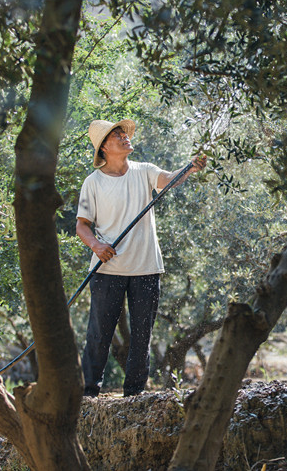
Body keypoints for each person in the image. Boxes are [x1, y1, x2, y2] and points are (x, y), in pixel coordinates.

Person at [76, 118, 206, 397]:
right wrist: (96, 245)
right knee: (99, 334)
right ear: (103, 148)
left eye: (124, 133)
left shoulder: (144, 171)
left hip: (146, 268)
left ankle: (134, 394)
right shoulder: (93, 183)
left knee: (142, 334)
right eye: (117, 135)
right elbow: (82, 225)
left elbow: (169, 180)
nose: (125, 137)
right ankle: (88, 394)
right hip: (107, 269)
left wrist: (190, 167)